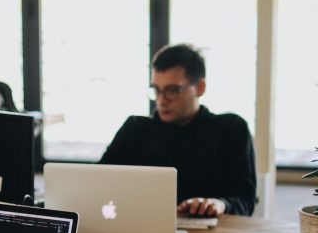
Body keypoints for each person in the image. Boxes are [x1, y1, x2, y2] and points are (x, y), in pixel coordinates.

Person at [100, 44, 256, 216]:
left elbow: (245, 201)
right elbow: (97, 181)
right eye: (157, 90)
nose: (161, 100)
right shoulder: (135, 129)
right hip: (140, 229)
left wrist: (220, 204)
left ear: (200, 87)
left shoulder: (231, 129)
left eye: (172, 90)